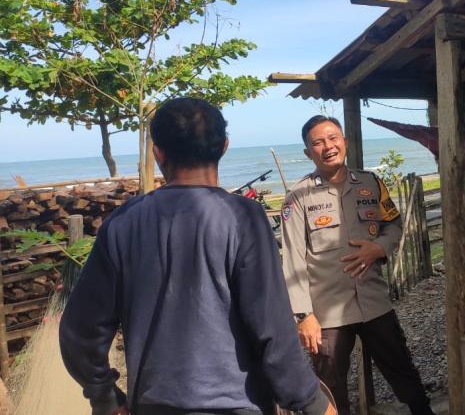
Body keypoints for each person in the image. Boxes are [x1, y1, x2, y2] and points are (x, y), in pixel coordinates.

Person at [59, 98, 335, 415]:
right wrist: (310, 401)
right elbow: (272, 327)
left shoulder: (122, 223)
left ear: (158, 153)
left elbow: (79, 331)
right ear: (224, 146)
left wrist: (105, 397)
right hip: (237, 406)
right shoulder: (242, 217)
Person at [281, 115, 434, 415]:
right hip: (327, 313)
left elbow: (393, 224)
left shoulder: (371, 183)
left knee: (402, 370)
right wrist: (304, 316)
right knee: (330, 385)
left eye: (333, 138)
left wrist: (378, 247)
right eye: (318, 142)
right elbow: (293, 259)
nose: (328, 146)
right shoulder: (298, 197)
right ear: (308, 153)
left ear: (345, 142)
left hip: (374, 302)